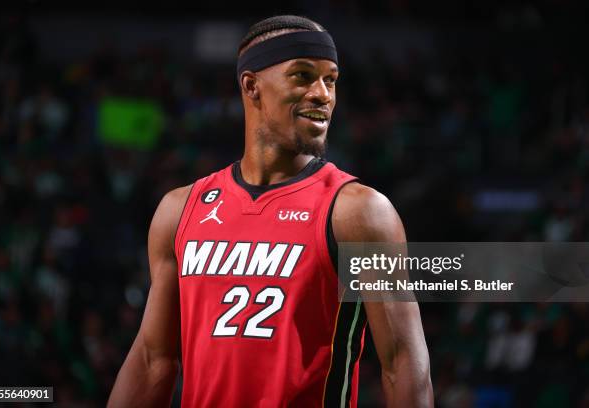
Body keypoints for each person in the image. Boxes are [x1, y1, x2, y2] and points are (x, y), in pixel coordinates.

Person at [108, 15, 433, 408]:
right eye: (303, 76)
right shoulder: (180, 210)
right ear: (251, 85)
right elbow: (151, 361)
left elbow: (402, 365)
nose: (322, 94)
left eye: (331, 80)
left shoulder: (359, 212)